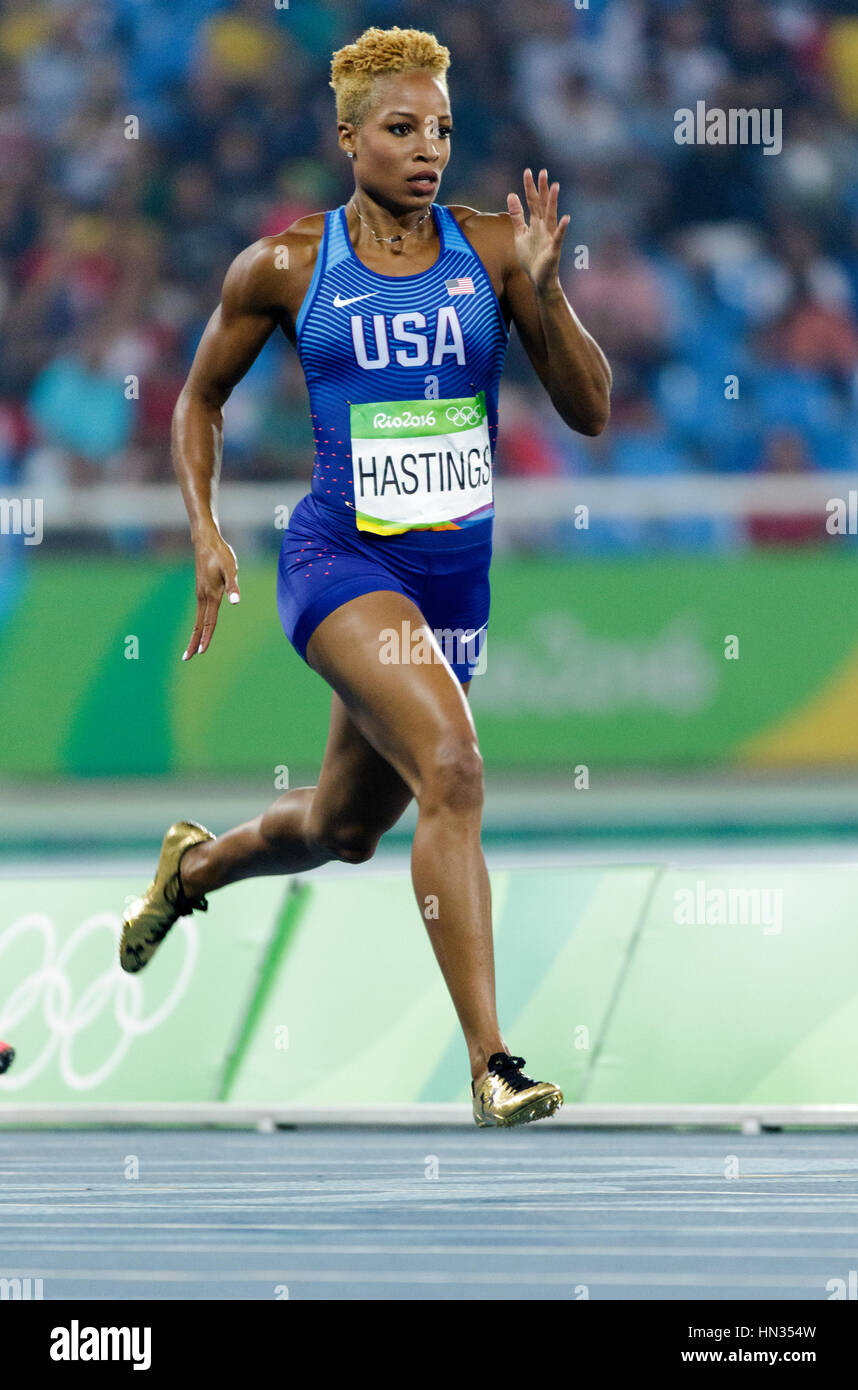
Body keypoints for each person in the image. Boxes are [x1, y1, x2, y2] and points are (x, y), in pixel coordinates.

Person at [120, 25, 611, 1127]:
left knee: (345, 829)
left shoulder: (491, 250)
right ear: (347, 138)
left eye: (440, 129)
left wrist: (547, 294)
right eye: (399, 129)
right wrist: (203, 528)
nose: (426, 148)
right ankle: (492, 1062)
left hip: (454, 588)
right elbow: (198, 400)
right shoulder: (289, 265)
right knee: (457, 769)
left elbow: (587, 410)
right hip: (338, 562)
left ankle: (190, 872)